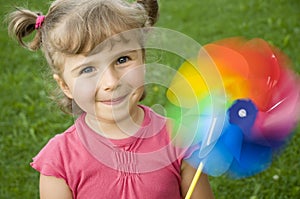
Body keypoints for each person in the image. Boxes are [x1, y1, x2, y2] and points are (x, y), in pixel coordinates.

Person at [8, 0, 214, 198]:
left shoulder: (179, 138)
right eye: (88, 69)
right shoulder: (59, 160)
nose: (112, 81)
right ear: (65, 85)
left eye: (122, 59)